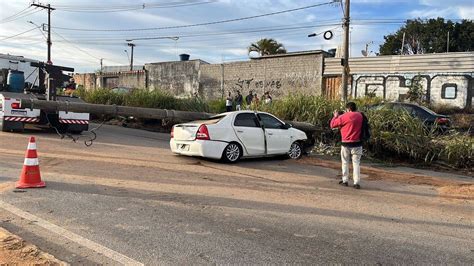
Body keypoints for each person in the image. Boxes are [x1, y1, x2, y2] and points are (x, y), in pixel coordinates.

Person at [330, 102, 364, 189]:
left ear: (348, 109)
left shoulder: (343, 117)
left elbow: (332, 125)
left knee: (345, 162)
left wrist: (335, 116)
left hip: (346, 143)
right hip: (357, 143)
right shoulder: (360, 116)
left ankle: (345, 180)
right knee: (356, 163)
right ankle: (356, 182)